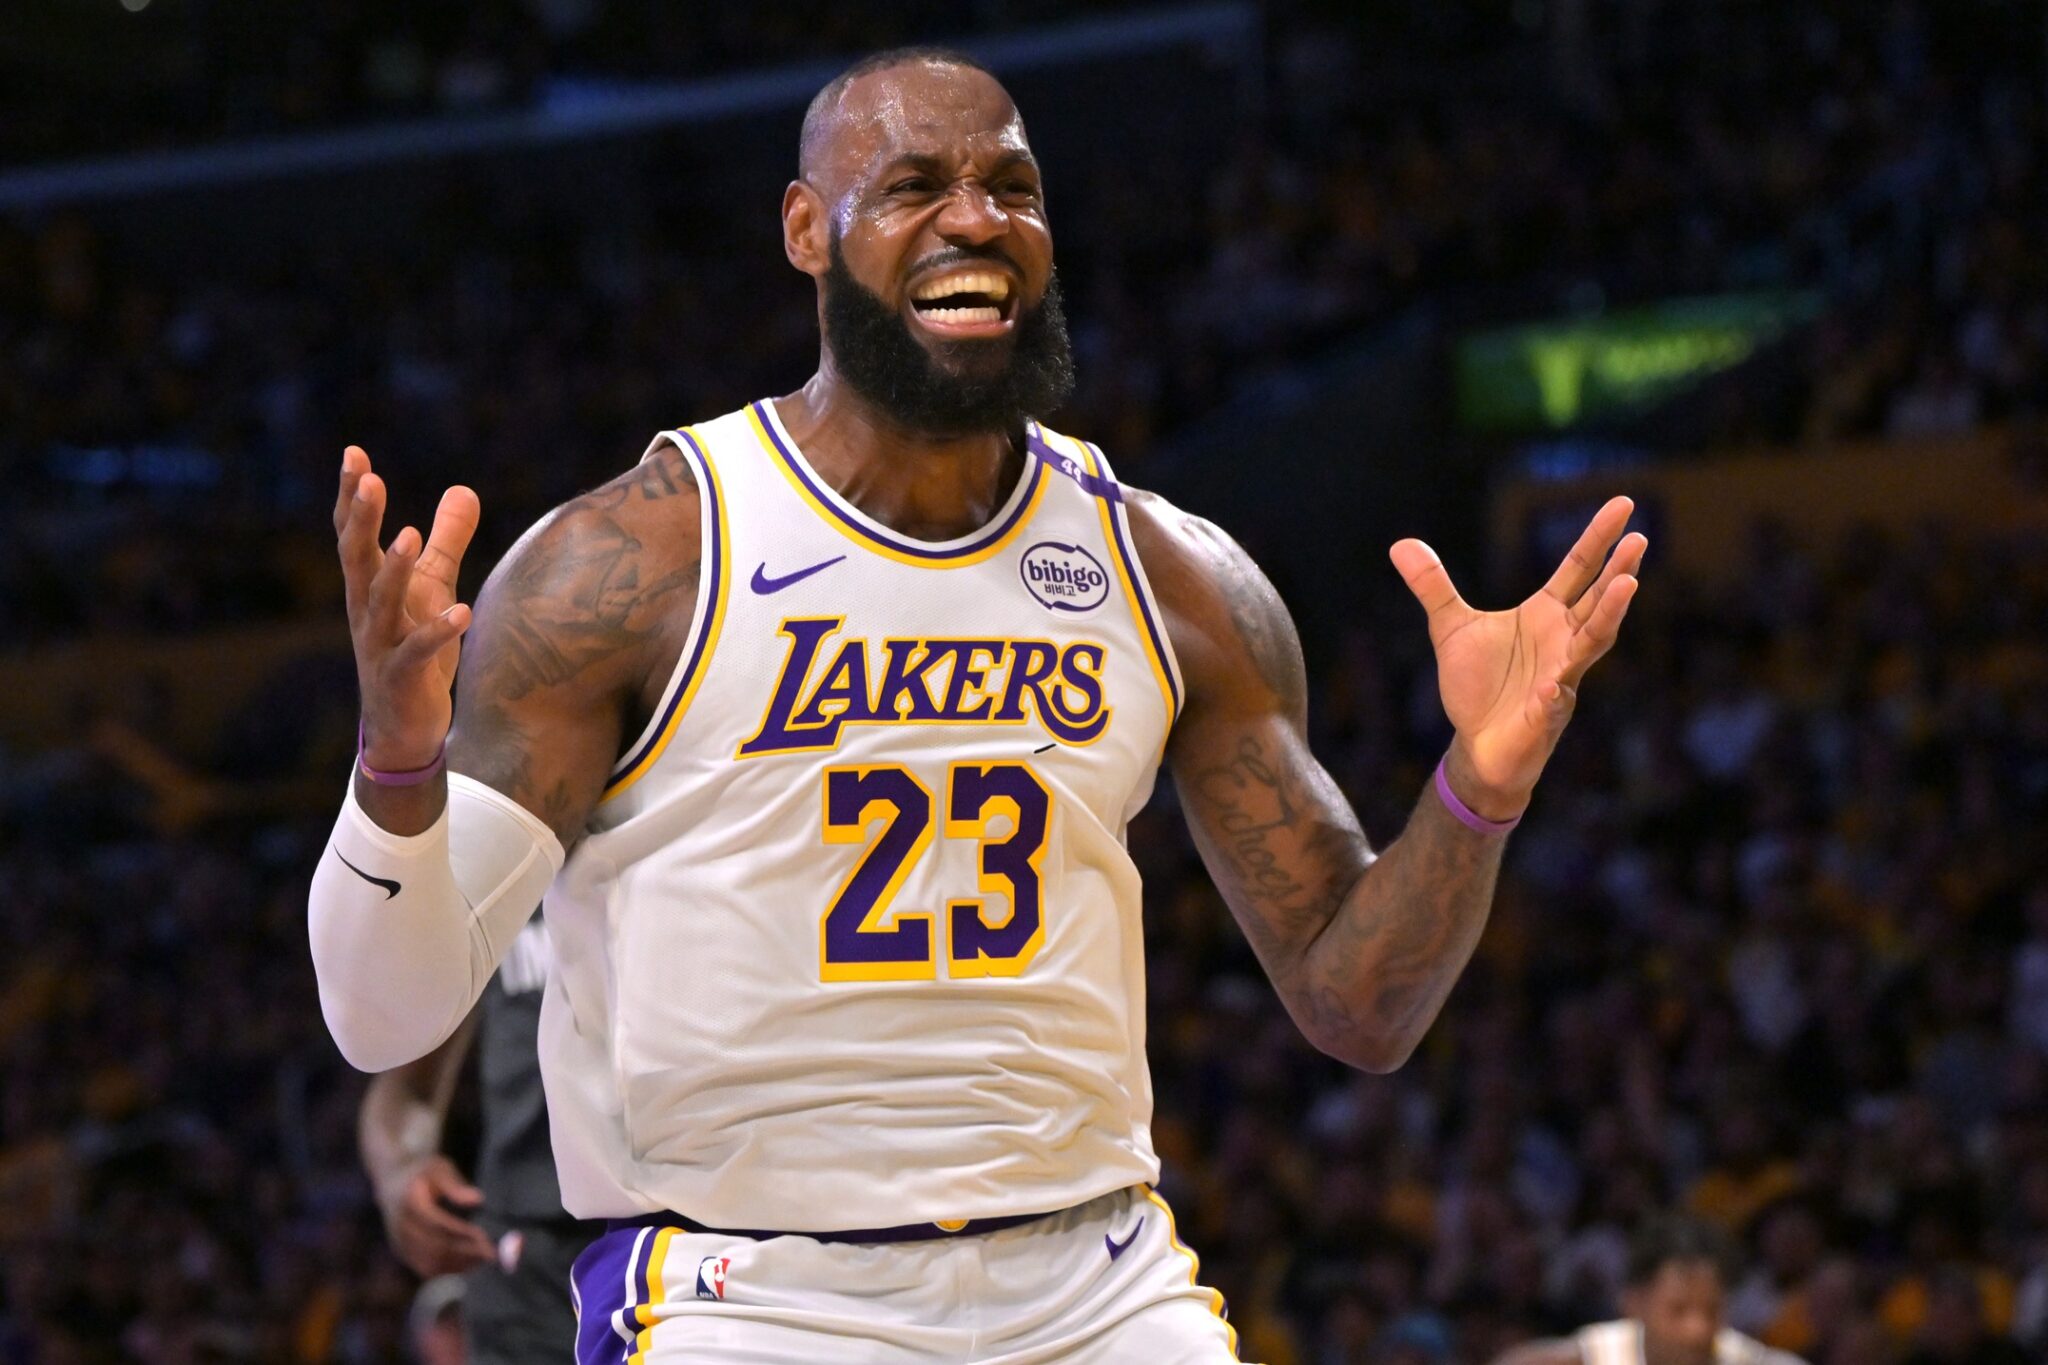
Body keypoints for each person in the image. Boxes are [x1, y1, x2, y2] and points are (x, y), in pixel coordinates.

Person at [308, 45, 1644, 1361]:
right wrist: (397, 763)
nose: (975, 218)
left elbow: (1361, 1005)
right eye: (912, 186)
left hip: (1097, 1283)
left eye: (1013, 184)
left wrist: (1482, 787)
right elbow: (383, 1013)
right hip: (751, 1293)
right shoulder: (638, 559)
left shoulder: (1172, 577)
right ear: (805, 231)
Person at [359, 913, 605, 1362]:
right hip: (525, 1253)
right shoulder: (497, 878)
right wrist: (401, 1170)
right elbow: (405, 1087)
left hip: (676, 1226)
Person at [1491, 1217, 1807, 1365]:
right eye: (1678, 1310)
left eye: (1711, 1310)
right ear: (1634, 1303)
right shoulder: (1589, 1359)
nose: (1697, 1328)